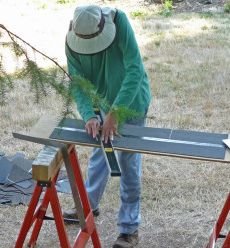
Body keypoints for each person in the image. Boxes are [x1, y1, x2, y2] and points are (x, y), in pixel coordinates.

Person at [63, 5, 151, 248]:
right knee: (99, 153)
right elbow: (78, 83)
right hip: (101, 102)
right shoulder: (73, 36)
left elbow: (135, 70)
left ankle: (129, 228)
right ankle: (88, 207)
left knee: (128, 163)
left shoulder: (119, 21)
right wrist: (88, 115)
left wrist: (117, 112)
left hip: (130, 102)